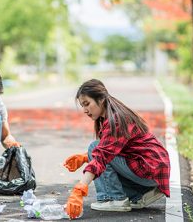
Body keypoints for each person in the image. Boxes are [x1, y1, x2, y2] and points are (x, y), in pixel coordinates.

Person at [64, 79, 170, 219]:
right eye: (82, 106)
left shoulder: (117, 120)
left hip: (149, 167)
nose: (84, 110)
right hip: (153, 168)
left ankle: (115, 199)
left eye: (87, 104)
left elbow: (103, 155)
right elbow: (114, 148)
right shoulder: (114, 115)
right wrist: (85, 157)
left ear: (101, 99)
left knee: (95, 147)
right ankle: (140, 194)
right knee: (96, 149)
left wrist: (79, 189)